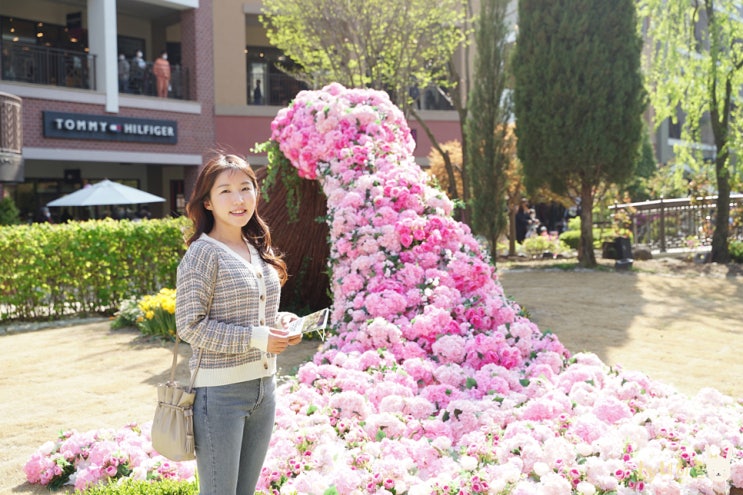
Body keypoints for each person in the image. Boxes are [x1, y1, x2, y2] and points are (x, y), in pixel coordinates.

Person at [175, 153, 301, 495]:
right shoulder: (202, 253)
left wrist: (282, 323)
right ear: (208, 202)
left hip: (265, 389)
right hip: (220, 394)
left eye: (246, 188)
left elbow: (254, 314)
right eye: (226, 191)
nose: (239, 199)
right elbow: (190, 326)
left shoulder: (256, 246)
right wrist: (258, 338)